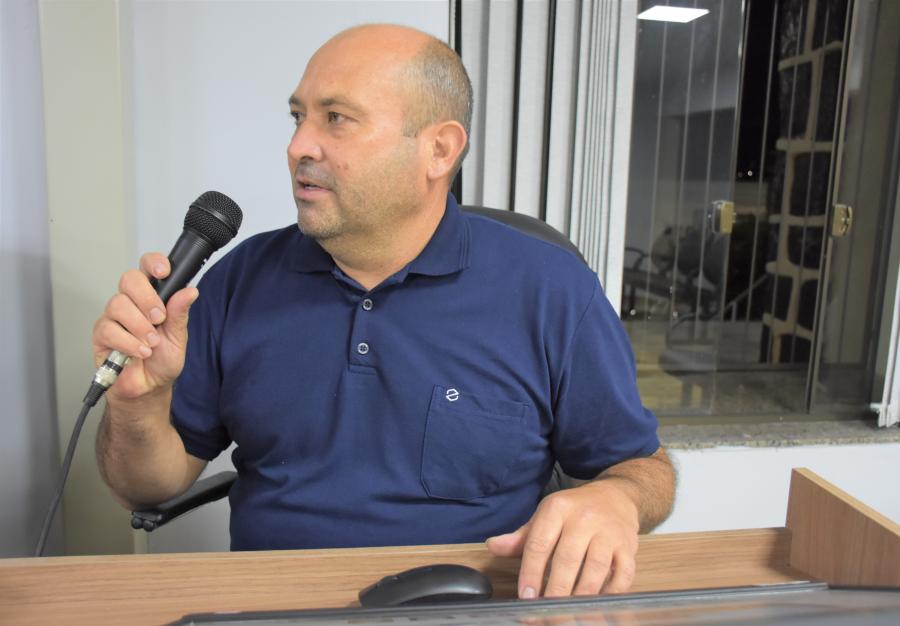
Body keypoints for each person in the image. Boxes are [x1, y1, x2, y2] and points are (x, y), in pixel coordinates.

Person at [93, 24, 675, 599]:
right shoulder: (236, 281)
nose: (299, 146)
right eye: (298, 117)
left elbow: (642, 470)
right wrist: (137, 404)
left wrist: (617, 497)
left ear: (439, 149)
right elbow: (144, 488)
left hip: (472, 607)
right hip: (278, 606)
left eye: (336, 118)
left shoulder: (549, 290)